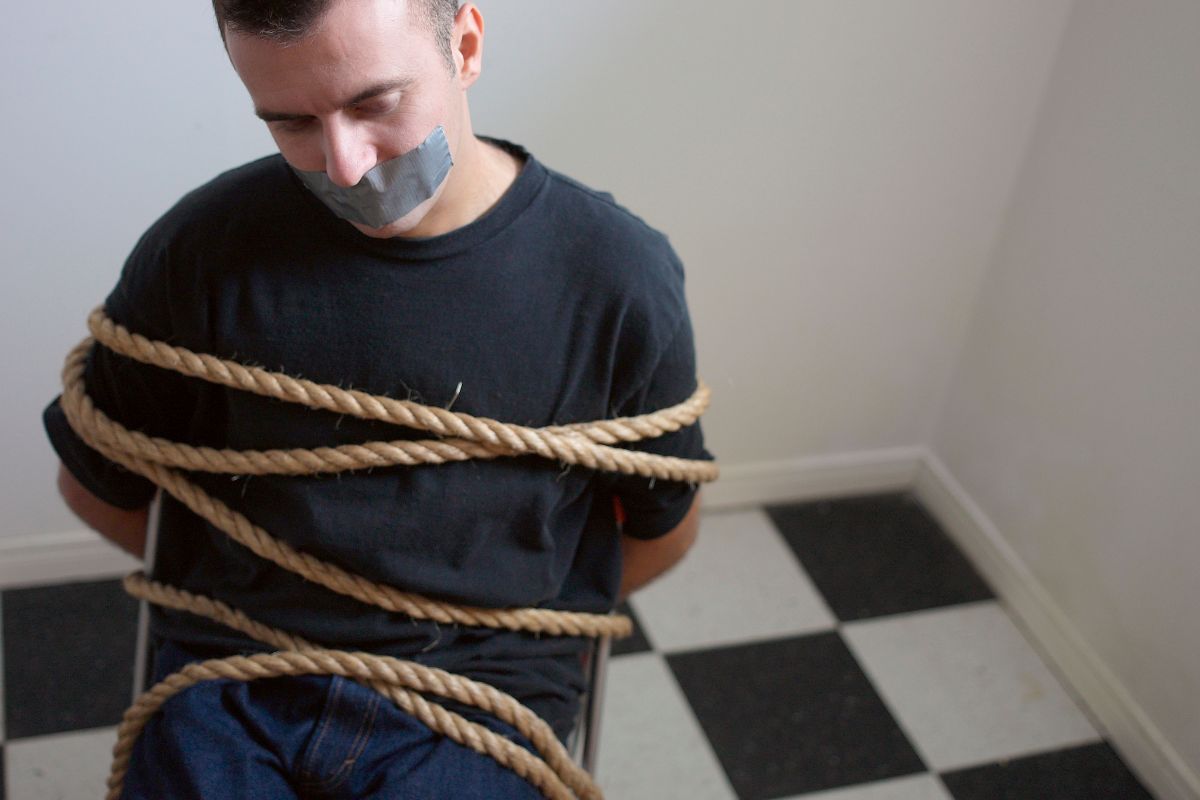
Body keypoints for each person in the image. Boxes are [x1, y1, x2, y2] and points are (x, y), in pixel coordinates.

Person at [43, 1, 713, 797]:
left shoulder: (615, 280)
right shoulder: (202, 251)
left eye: (374, 104)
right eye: (291, 123)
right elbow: (98, 487)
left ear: (464, 45)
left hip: (481, 702)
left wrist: (495, 628)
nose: (347, 166)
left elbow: (661, 534)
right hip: (237, 680)